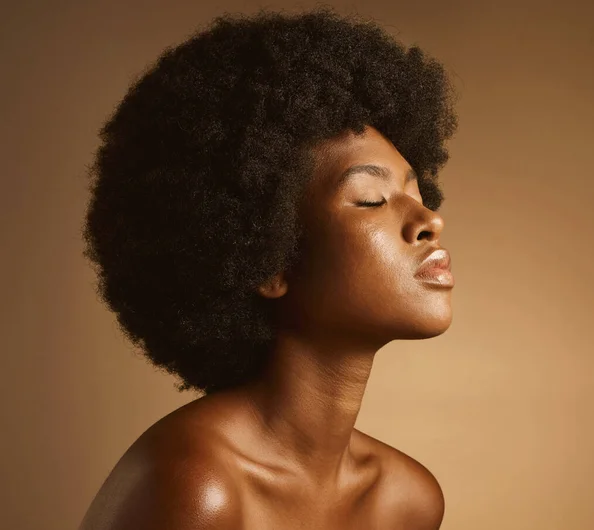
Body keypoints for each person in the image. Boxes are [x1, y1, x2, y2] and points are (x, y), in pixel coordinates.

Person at [79, 5, 458, 529]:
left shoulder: (407, 501)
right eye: (370, 198)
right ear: (268, 260)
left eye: (417, 192)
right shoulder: (197, 485)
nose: (428, 221)